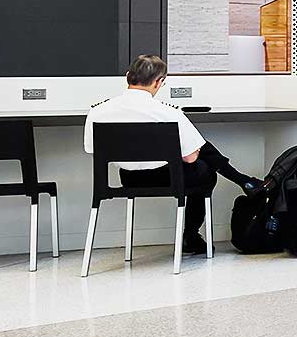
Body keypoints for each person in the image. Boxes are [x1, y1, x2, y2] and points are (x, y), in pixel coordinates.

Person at [85, 55, 261, 255]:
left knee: (201, 153)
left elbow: (93, 150)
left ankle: (244, 182)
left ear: (128, 76)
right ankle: (192, 234)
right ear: (159, 81)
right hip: (168, 179)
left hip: (129, 179)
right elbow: (190, 158)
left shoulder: (97, 112)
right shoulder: (168, 113)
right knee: (205, 167)